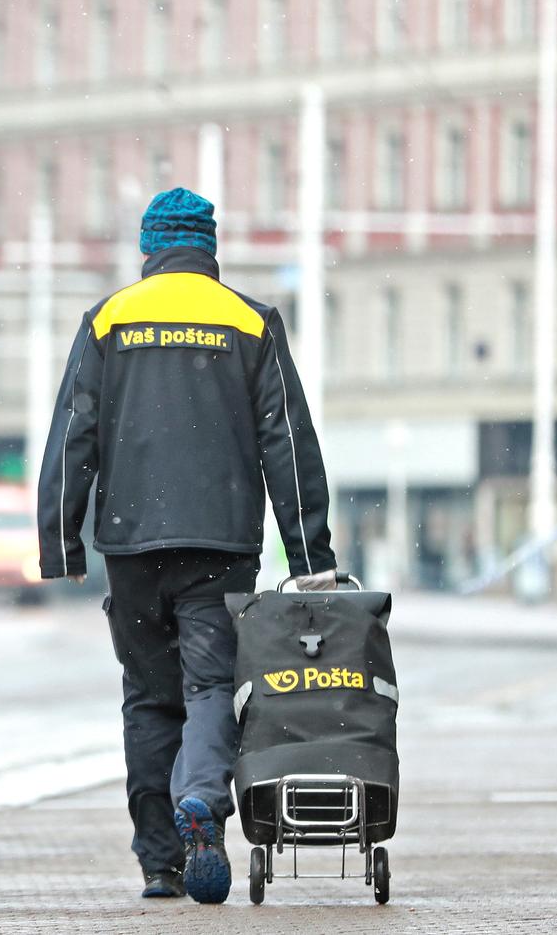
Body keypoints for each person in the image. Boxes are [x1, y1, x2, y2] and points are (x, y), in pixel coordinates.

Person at [36, 187, 337, 905]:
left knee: (147, 697)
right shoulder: (249, 319)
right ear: (210, 246)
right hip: (222, 542)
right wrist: (311, 558)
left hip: (132, 544)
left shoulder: (109, 319)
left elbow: (74, 433)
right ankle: (201, 797)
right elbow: (288, 446)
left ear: (148, 247)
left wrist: (61, 544)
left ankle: (160, 862)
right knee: (210, 685)